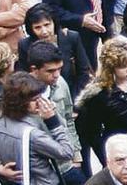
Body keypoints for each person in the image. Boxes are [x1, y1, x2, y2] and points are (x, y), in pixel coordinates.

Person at [0, 72, 75, 185]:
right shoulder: (33, 135)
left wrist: (0, 169)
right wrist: (53, 121)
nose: (40, 102)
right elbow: (67, 152)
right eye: (36, 99)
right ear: (20, 103)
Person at [76, 38, 127, 166]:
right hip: (118, 146)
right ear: (111, 67)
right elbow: (92, 132)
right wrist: (106, 159)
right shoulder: (99, 93)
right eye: (122, 66)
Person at [26, 41, 84, 184]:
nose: (57, 75)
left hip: (67, 163)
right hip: (43, 170)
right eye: (50, 71)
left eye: (59, 69)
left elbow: (68, 119)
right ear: (34, 69)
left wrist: (76, 154)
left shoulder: (61, 84)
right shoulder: (22, 94)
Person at [16, 3, 92, 98]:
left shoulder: (71, 37)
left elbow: (83, 72)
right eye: (38, 27)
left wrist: (74, 99)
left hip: (70, 93)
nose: (44, 31)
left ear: (54, 23)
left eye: (47, 25)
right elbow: (23, 76)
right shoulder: (24, 45)